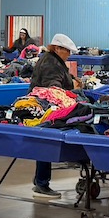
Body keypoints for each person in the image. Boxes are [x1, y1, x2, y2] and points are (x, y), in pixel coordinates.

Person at [28, 33, 80, 199]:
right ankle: (42, 183)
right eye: (67, 51)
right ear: (58, 49)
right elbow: (54, 88)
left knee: (44, 143)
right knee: (46, 143)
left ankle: (39, 180)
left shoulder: (51, 60)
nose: (69, 55)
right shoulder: (52, 64)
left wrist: (71, 80)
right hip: (47, 108)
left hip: (41, 106)